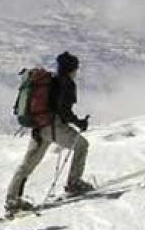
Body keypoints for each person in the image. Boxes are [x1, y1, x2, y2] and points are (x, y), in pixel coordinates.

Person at [5, 52, 92, 215]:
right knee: (82, 145)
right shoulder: (66, 83)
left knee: (27, 164)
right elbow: (64, 112)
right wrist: (79, 122)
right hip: (53, 127)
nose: (76, 71)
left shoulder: (51, 80)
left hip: (38, 127)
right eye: (75, 68)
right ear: (71, 69)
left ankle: (12, 199)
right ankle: (74, 184)